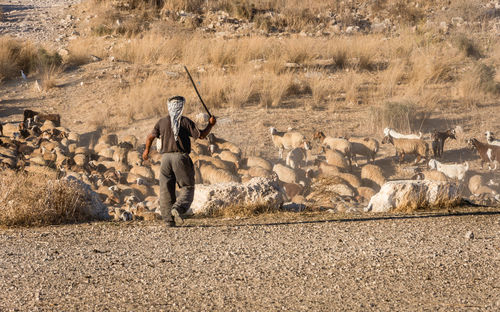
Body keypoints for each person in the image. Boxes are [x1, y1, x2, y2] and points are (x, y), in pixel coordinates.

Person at [142, 96, 216, 227]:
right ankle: (178, 208)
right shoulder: (184, 121)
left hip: (165, 159)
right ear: (181, 106)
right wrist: (210, 124)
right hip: (180, 158)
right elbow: (202, 135)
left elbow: (150, 137)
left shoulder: (162, 122)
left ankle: (168, 220)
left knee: (166, 189)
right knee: (187, 186)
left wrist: (146, 151)